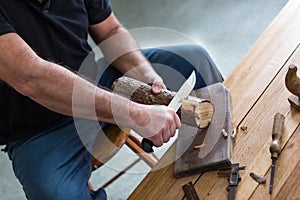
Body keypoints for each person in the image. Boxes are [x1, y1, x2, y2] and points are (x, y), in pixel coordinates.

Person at [0, 0, 223, 199]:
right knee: (56, 194)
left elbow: (109, 31)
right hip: (38, 130)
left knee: (195, 59)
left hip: (94, 83)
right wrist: (135, 114)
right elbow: (30, 77)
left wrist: (145, 76)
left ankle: (213, 159)